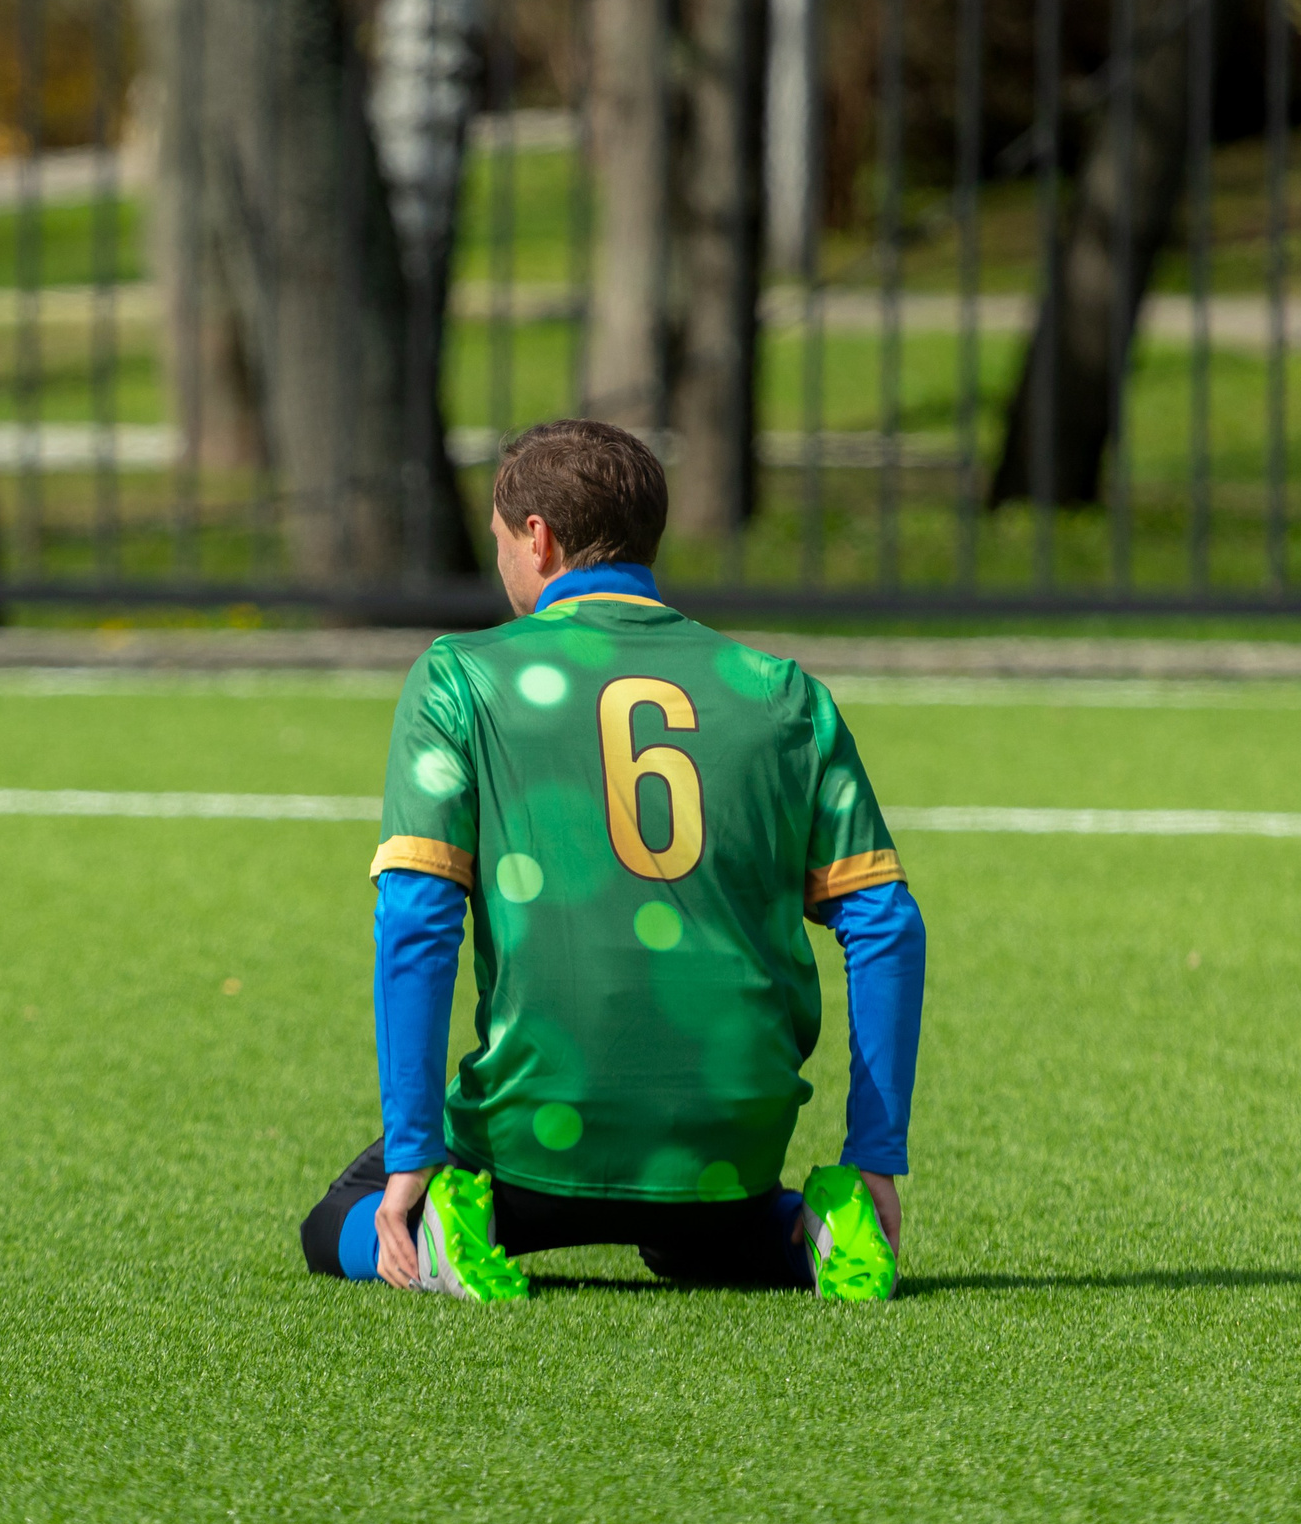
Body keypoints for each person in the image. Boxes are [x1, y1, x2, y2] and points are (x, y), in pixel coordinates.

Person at [298, 420, 926, 1302]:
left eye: (500, 543)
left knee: (335, 1222)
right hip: (725, 1151)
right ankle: (811, 1231)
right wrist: (875, 1157)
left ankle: (444, 1226)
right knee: (704, 1243)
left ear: (537, 538)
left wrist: (412, 1155)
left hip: (529, 1148)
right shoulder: (781, 690)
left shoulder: (463, 676)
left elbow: (416, 913)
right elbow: (887, 923)